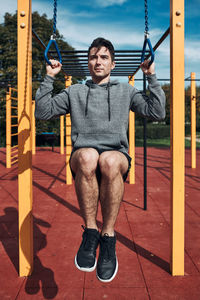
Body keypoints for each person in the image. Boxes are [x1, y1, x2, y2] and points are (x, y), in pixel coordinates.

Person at [35, 37, 166, 283]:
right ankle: (91, 232)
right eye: (94, 57)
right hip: (83, 156)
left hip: (116, 155)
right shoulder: (75, 91)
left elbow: (158, 112)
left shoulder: (125, 90)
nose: (98, 61)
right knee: (88, 155)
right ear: (88, 62)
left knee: (108, 160)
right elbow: (42, 112)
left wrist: (151, 76)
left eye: (104, 57)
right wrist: (49, 77)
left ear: (113, 64)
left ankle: (108, 237)